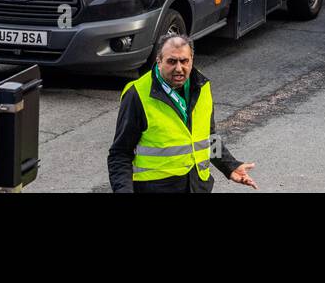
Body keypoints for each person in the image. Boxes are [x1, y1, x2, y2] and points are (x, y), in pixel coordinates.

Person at [108, 34, 257, 193]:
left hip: (197, 186)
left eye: (184, 61)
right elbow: (120, 154)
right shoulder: (137, 95)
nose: (179, 68)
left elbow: (209, 137)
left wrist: (229, 166)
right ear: (159, 61)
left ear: (192, 59)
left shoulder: (202, 87)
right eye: (172, 61)